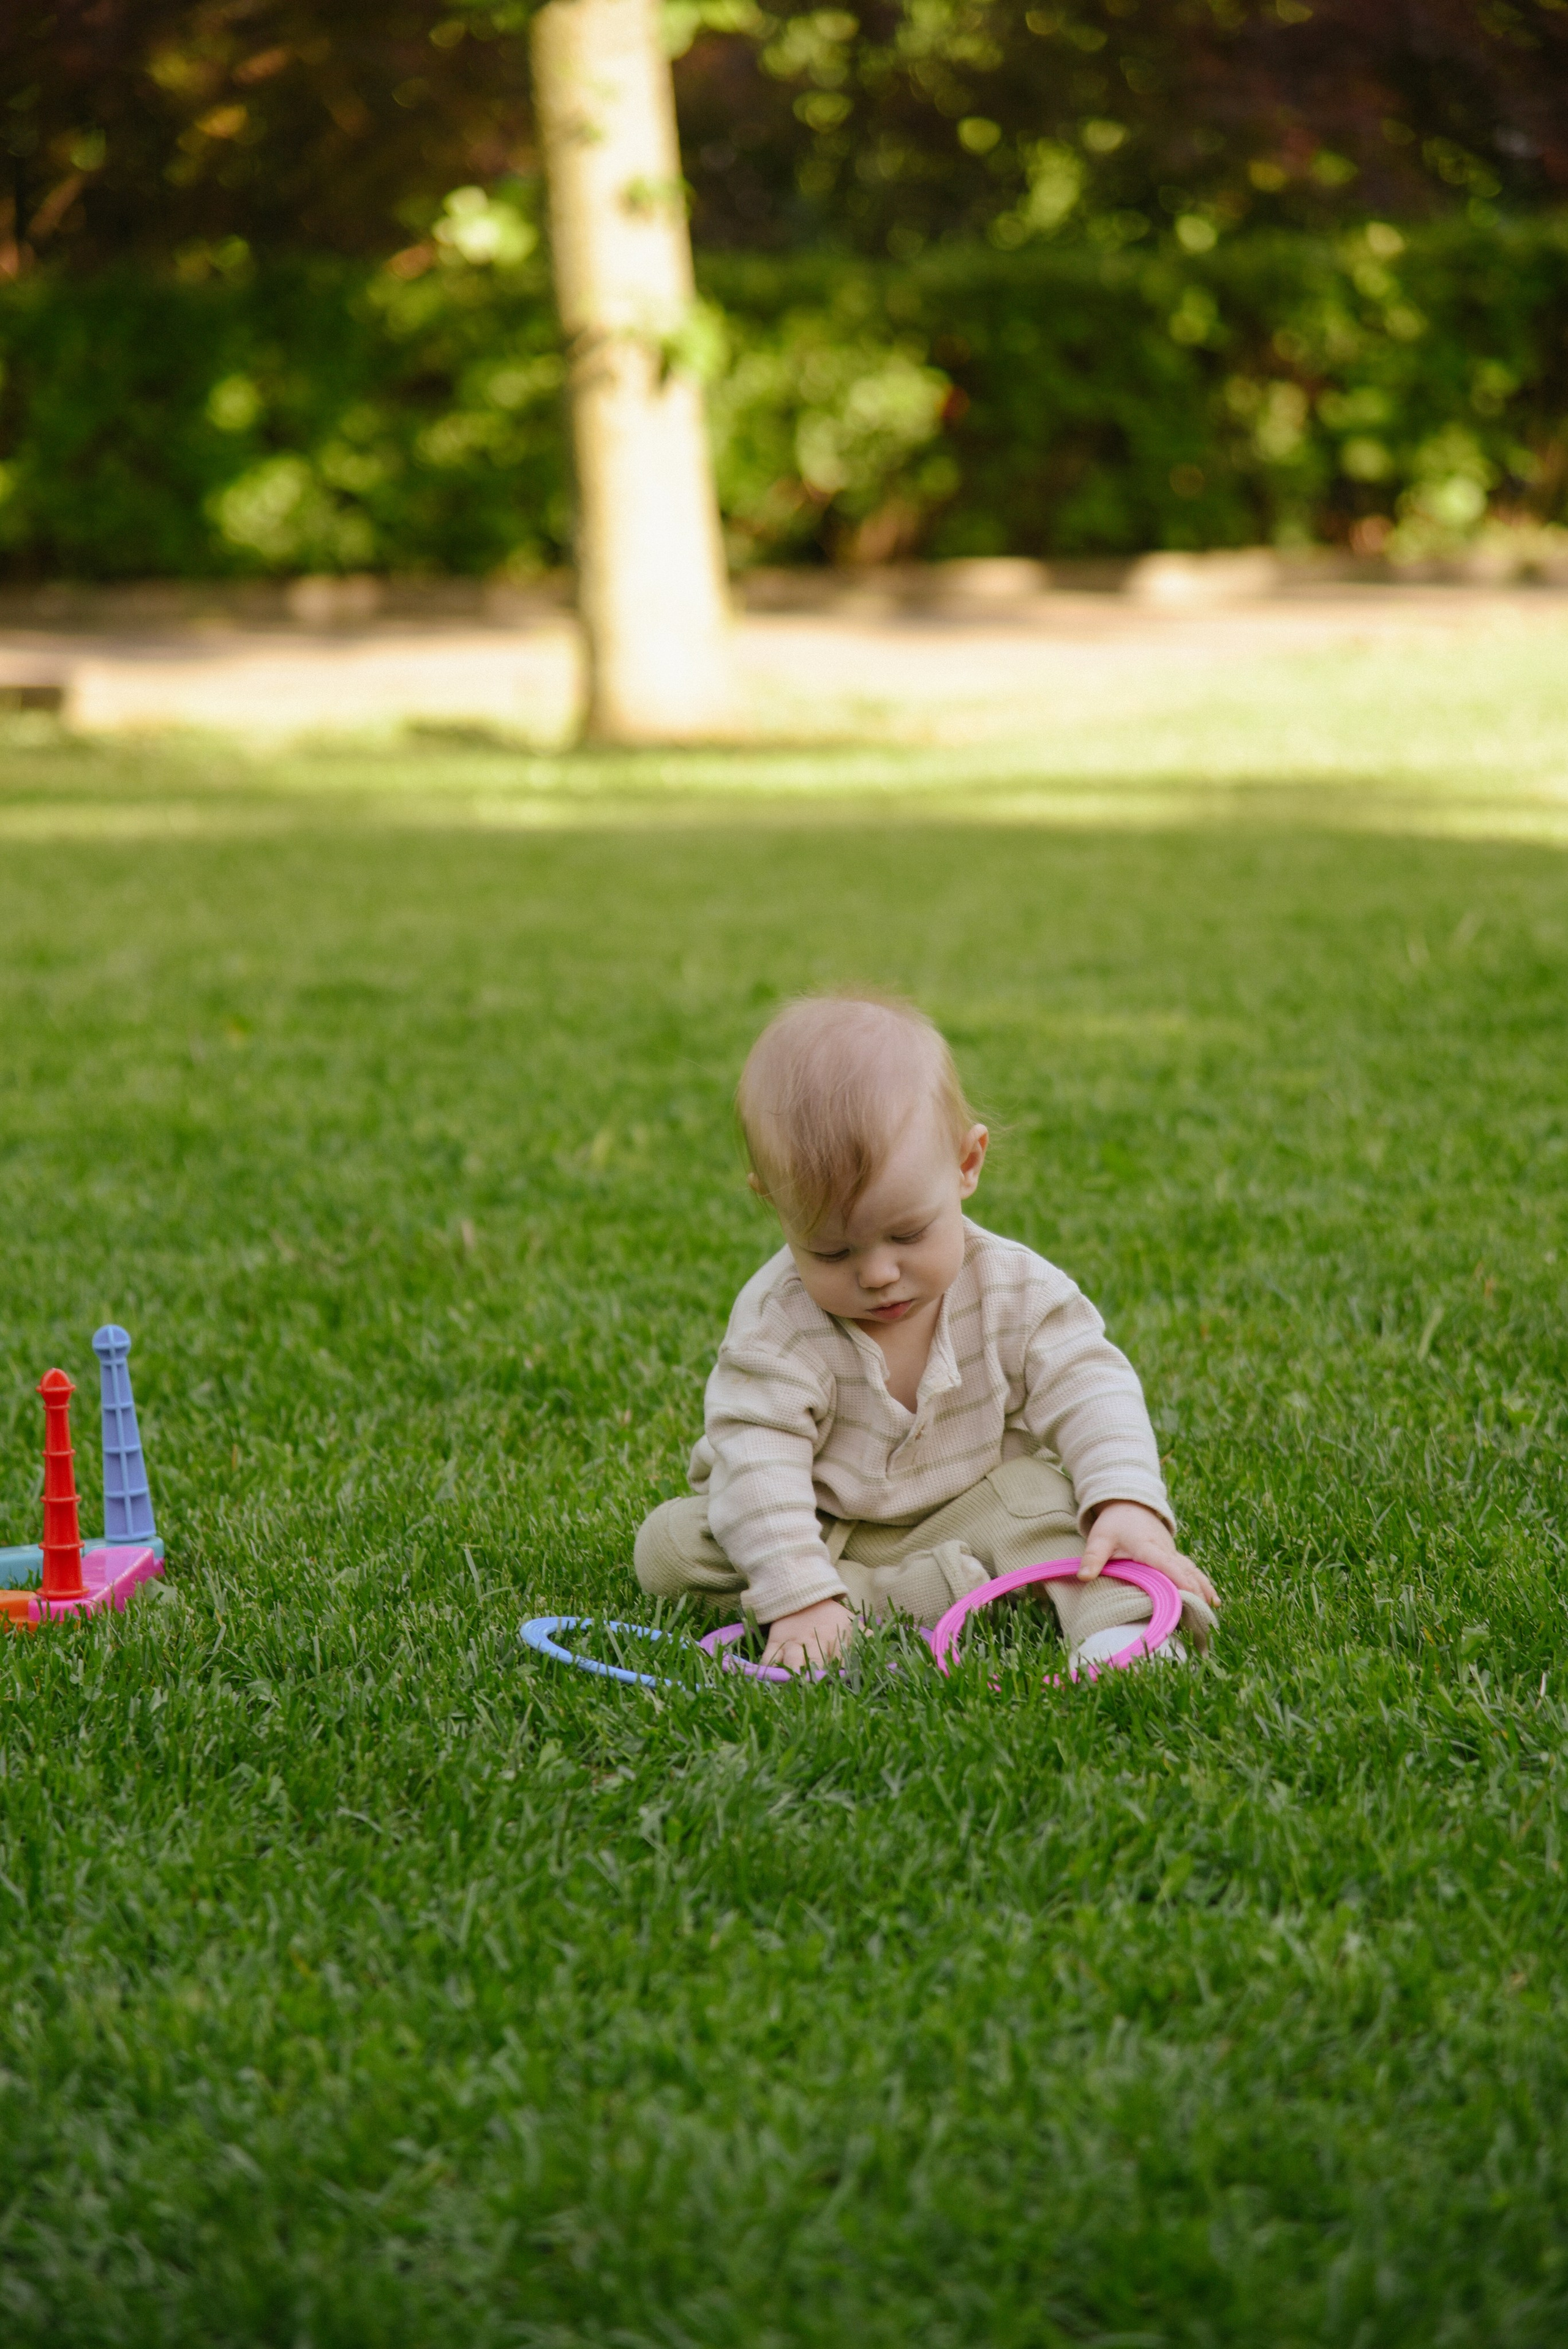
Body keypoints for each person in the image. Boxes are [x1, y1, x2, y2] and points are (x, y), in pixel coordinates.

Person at [634, 990, 1219, 1672]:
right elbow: (758, 1463)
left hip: (977, 1504)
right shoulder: (778, 1325)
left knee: (1055, 1508)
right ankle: (876, 1598)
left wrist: (1125, 1500)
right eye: (831, 1251)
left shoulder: (1013, 1287)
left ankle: (1122, 1632)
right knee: (671, 1548)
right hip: (824, 1527)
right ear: (773, 1201)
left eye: (907, 1233)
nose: (878, 1274)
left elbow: (1089, 1381)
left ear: (966, 1163)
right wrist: (797, 1593)